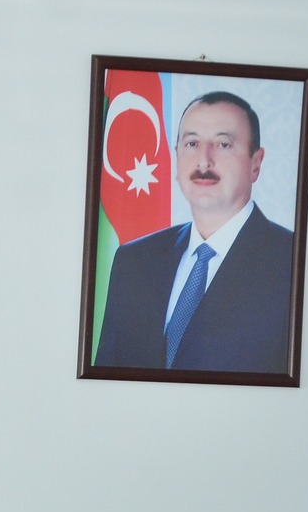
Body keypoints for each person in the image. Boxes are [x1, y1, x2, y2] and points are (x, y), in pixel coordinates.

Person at [95, 91, 297, 374]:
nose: (204, 161)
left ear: (256, 162)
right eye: (191, 143)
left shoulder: (292, 262)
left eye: (224, 144)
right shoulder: (134, 261)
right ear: (176, 156)